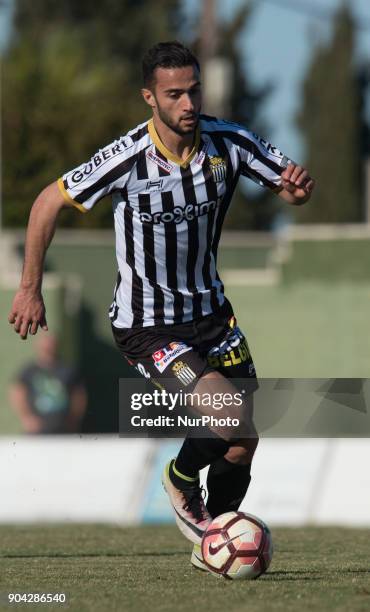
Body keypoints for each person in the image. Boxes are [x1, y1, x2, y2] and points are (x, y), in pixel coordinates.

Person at [8, 41, 314, 571]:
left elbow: (290, 188)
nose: (188, 103)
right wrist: (30, 287)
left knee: (243, 441)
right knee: (230, 414)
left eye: (194, 89)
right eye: (174, 94)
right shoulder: (127, 157)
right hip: (147, 325)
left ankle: (212, 543)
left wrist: (297, 190)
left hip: (213, 317)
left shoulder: (230, 141)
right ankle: (177, 478)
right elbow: (47, 201)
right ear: (150, 97)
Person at [9, 334, 87, 434]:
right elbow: (17, 393)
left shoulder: (68, 370)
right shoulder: (28, 371)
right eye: (44, 345)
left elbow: (79, 396)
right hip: (37, 430)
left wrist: (73, 419)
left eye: (50, 345)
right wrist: (26, 417)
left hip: (62, 429)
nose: (47, 348)